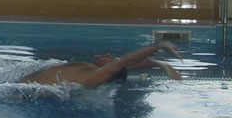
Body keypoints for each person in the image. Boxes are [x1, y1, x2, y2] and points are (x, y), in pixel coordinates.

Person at [19, 40, 182, 87]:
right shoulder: (91, 70)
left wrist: (159, 45)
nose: (108, 55)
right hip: (24, 86)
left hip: (25, 93)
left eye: (111, 60)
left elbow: (127, 60)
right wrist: (158, 63)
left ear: (109, 68)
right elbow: (129, 64)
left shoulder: (95, 76)